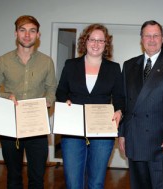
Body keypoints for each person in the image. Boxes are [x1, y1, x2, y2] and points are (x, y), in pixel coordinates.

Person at [0, 15, 57, 188]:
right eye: (22, 30)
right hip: (10, 127)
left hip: (37, 127)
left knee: (37, 178)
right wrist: (7, 97)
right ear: (16, 33)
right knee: (13, 177)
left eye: (32, 31)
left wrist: (48, 101)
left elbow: (51, 89)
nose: (27, 35)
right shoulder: (3, 61)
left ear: (38, 35)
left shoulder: (46, 62)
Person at [118, 20, 163, 189]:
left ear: (162, 38)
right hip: (135, 140)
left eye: (156, 35)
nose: (151, 39)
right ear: (141, 39)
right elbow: (124, 102)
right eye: (147, 36)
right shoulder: (129, 65)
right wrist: (122, 133)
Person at [55, 23, 124, 189]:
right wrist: (65, 101)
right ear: (85, 41)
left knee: (96, 182)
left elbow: (120, 97)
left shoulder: (114, 68)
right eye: (92, 39)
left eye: (101, 41)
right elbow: (61, 91)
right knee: (73, 182)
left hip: (102, 131)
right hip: (73, 129)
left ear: (106, 44)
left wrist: (120, 110)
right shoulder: (70, 65)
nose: (96, 44)